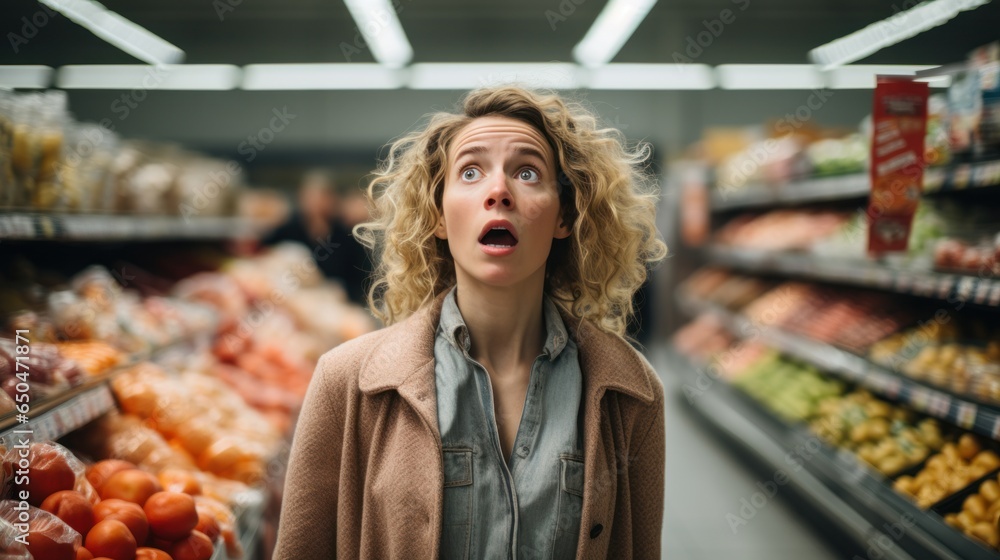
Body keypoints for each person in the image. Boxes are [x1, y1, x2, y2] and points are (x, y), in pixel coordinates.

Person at [275, 86, 668, 559]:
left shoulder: (630, 393)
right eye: (470, 172)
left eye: (527, 172)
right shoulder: (346, 383)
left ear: (565, 215)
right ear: (437, 215)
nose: (498, 191)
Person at [260, 170, 369, 304]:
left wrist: (344, 292)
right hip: (294, 299)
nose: (315, 203)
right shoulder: (289, 229)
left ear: (332, 199)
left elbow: (361, 278)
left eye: (321, 197)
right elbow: (263, 252)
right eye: (310, 196)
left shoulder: (345, 235)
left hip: (335, 302)